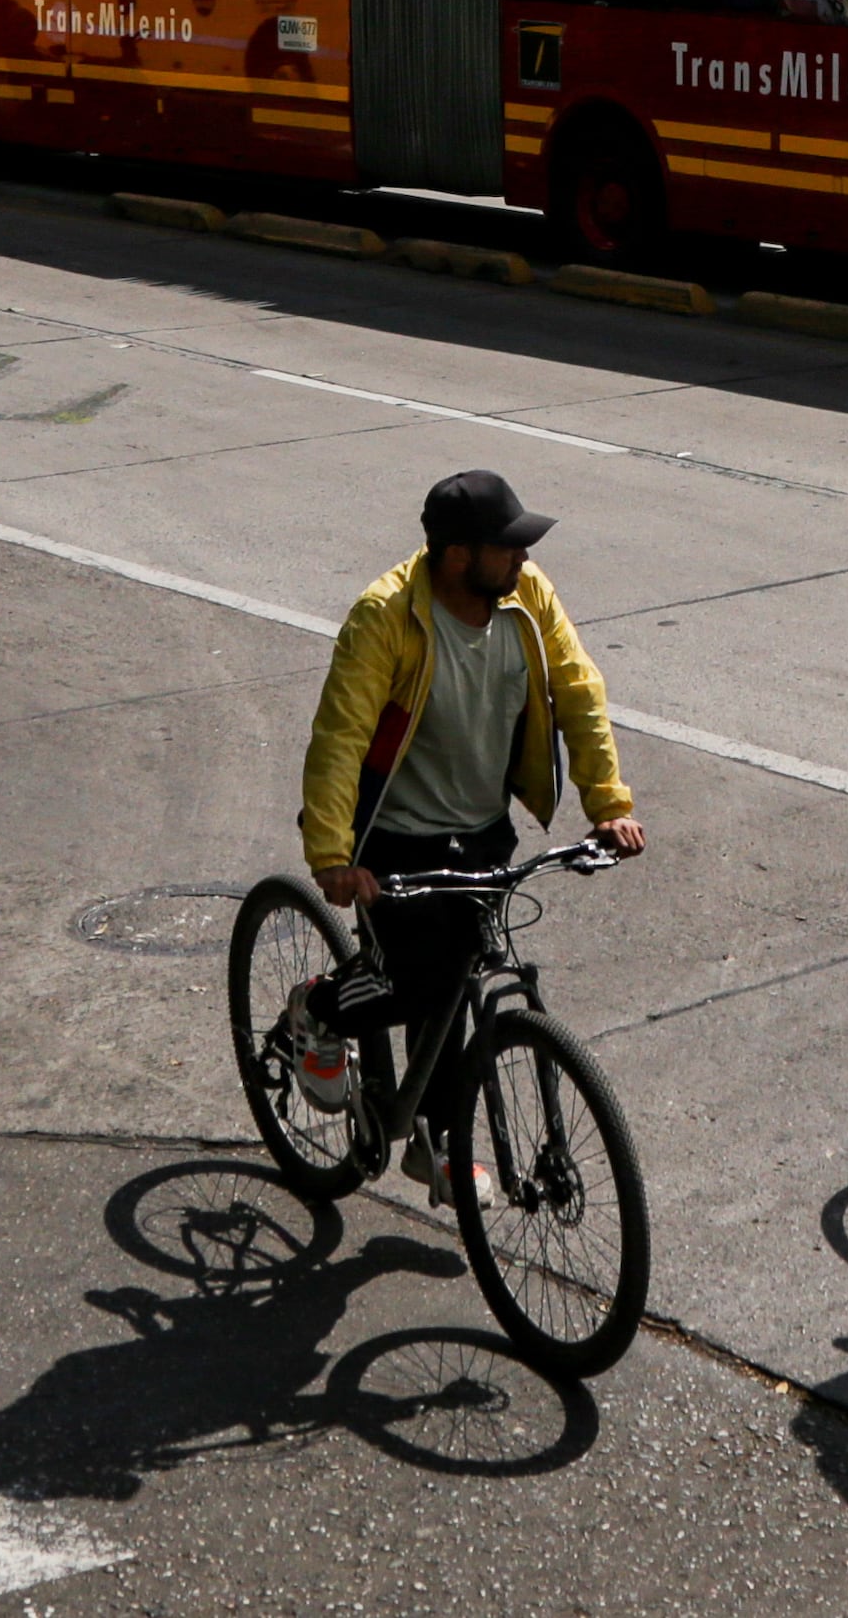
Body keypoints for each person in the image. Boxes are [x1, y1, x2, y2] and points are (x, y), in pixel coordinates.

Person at [292, 468, 645, 1196]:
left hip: (483, 827)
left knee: (456, 977)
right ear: (457, 556)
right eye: (506, 547)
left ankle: (436, 1146)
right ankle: (317, 1011)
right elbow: (340, 736)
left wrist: (605, 802)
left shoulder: (526, 596)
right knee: (415, 979)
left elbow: (579, 688)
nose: (522, 559)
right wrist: (331, 856)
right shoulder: (386, 617)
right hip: (392, 833)